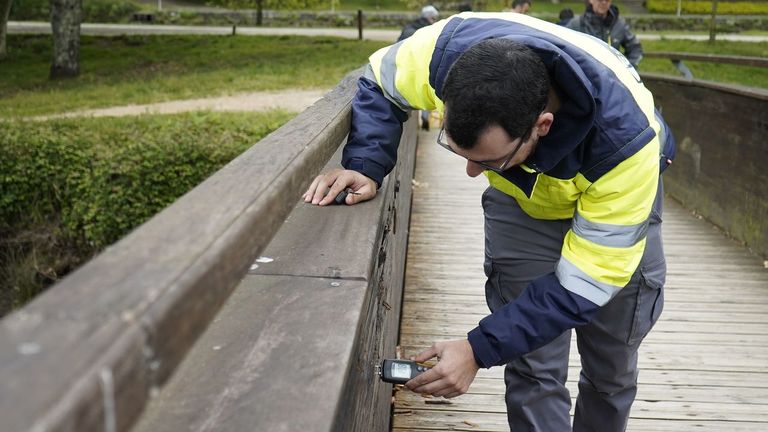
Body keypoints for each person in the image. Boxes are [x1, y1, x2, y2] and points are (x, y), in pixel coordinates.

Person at [303, 12, 675, 432]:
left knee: (612, 370)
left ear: (542, 125)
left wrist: (478, 349)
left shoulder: (625, 146)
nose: (472, 175)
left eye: (489, 160)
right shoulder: (443, 54)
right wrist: (366, 164)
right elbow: (379, 78)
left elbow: (585, 284)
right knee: (533, 368)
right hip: (523, 205)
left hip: (612, 203)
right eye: (460, 153)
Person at [398, 5, 440, 130]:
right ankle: (426, 117)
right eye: (435, 18)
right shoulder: (428, 30)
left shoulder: (409, 27)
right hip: (419, 66)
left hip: (404, 67)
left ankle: (423, 118)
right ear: (431, 18)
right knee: (426, 89)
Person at [567, 0, 643, 67]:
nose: (604, 2)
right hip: (585, 79)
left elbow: (635, 48)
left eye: (607, 0)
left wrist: (627, 70)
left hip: (611, 80)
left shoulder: (619, 24)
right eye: (600, 0)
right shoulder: (576, 24)